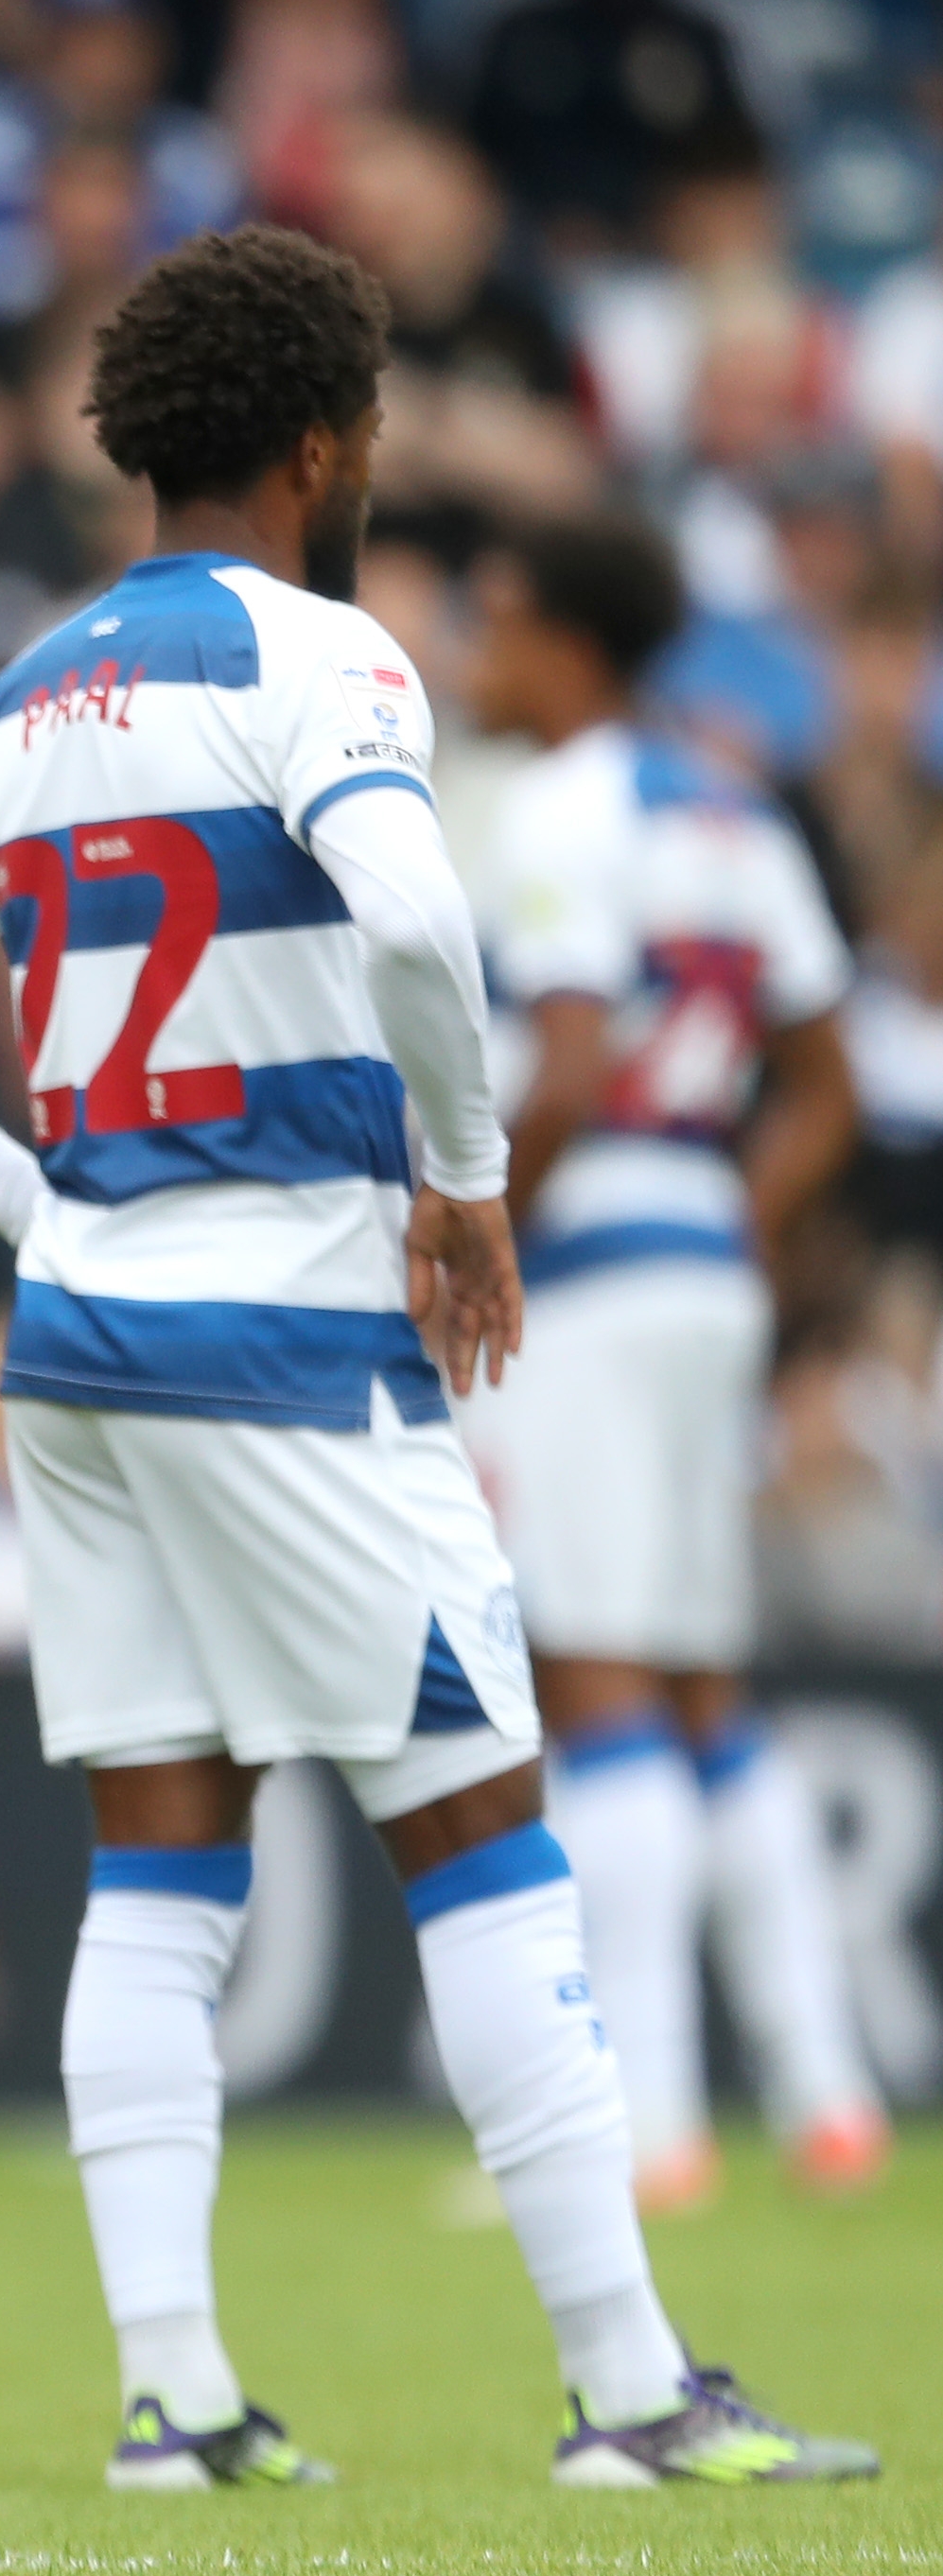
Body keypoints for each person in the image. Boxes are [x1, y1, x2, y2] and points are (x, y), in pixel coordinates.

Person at [0, 223, 875, 2488]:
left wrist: (33, 1206)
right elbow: (403, 909)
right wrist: (461, 1176)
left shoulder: (18, 695)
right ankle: (626, 2393)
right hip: (282, 1335)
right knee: (482, 1830)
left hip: (77, 1349)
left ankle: (172, 2405)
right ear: (319, 442)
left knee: (159, 1870)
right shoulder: (329, 662)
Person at [455, 513, 888, 2210]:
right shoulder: (732, 809)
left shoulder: (560, 809)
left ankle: (642, 2123)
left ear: (565, 644)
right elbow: (823, 1084)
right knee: (705, 1678)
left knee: (599, 1673)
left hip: (592, 1269)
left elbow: (559, 1072)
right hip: (701, 1256)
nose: (481, 654)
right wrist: (732, 1217)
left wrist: (469, 1246)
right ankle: (824, 2089)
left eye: (495, 620)